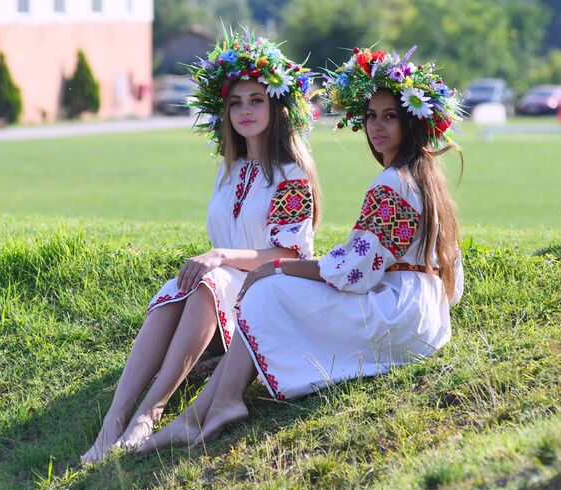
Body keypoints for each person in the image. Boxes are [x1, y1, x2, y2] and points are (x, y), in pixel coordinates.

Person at [139, 46, 465, 452]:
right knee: (270, 287)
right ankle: (205, 410)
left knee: (268, 289)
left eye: (390, 116)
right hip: (426, 319)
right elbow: (452, 282)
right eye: (370, 116)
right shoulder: (424, 181)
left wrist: (279, 269)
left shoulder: (393, 184)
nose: (376, 126)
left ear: (413, 123)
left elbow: (355, 272)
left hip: (397, 319)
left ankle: (214, 406)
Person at [80, 27, 321, 464]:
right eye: (235, 103)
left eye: (256, 100)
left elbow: (289, 254)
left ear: (277, 107)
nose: (244, 111)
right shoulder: (227, 171)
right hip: (222, 288)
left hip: (266, 290)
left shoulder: (292, 177)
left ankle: (148, 415)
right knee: (174, 292)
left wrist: (221, 257)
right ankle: (112, 423)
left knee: (212, 280)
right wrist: (216, 262)